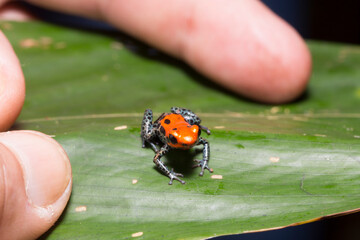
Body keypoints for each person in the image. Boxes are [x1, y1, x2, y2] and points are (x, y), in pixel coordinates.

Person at [0, 0, 312, 239]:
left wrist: (199, 154)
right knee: (150, 135)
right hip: (164, 128)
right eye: (186, 139)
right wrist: (171, 172)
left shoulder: (192, 138)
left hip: (177, 122)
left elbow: (201, 141)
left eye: (192, 137)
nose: (193, 141)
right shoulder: (166, 146)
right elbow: (156, 161)